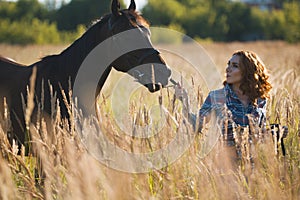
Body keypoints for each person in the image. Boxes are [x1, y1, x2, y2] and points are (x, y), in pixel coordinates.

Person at [175, 50, 272, 145]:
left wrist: (273, 134)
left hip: (252, 159)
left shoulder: (260, 99)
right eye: (228, 64)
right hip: (224, 159)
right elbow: (196, 126)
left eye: (235, 66)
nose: (227, 69)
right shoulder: (216, 97)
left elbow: (260, 133)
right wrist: (185, 102)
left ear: (248, 71)